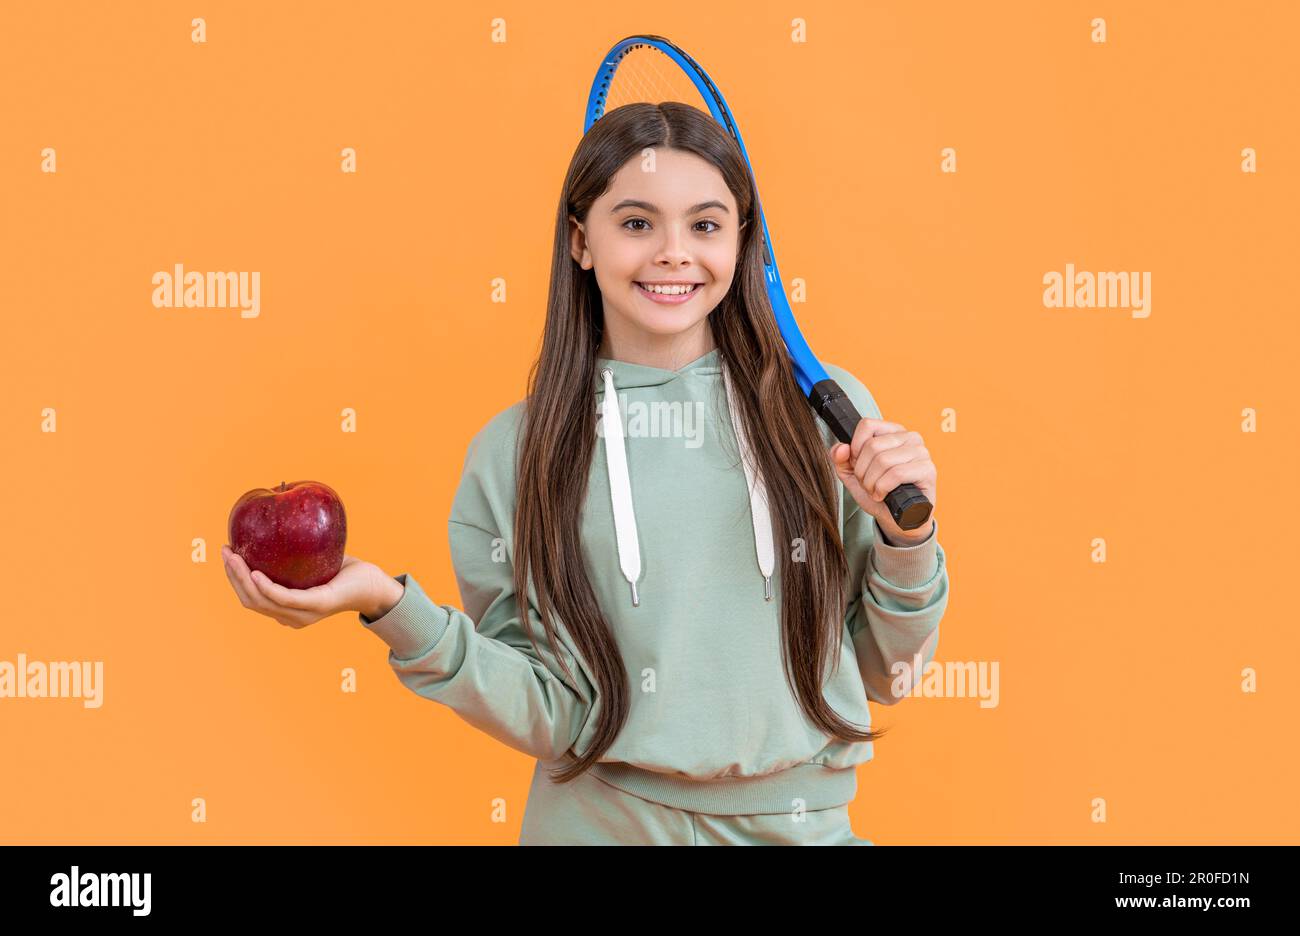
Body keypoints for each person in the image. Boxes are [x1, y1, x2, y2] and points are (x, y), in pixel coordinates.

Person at [220, 102, 948, 846]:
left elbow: (887, 672)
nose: (673, 252)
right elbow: (551, 710)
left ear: (741, 241)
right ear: (581, 241)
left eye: (704, 224)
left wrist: (905, 538)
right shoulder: (515, 454)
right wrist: (388, 605)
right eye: (637, 223)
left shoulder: (829, 421)